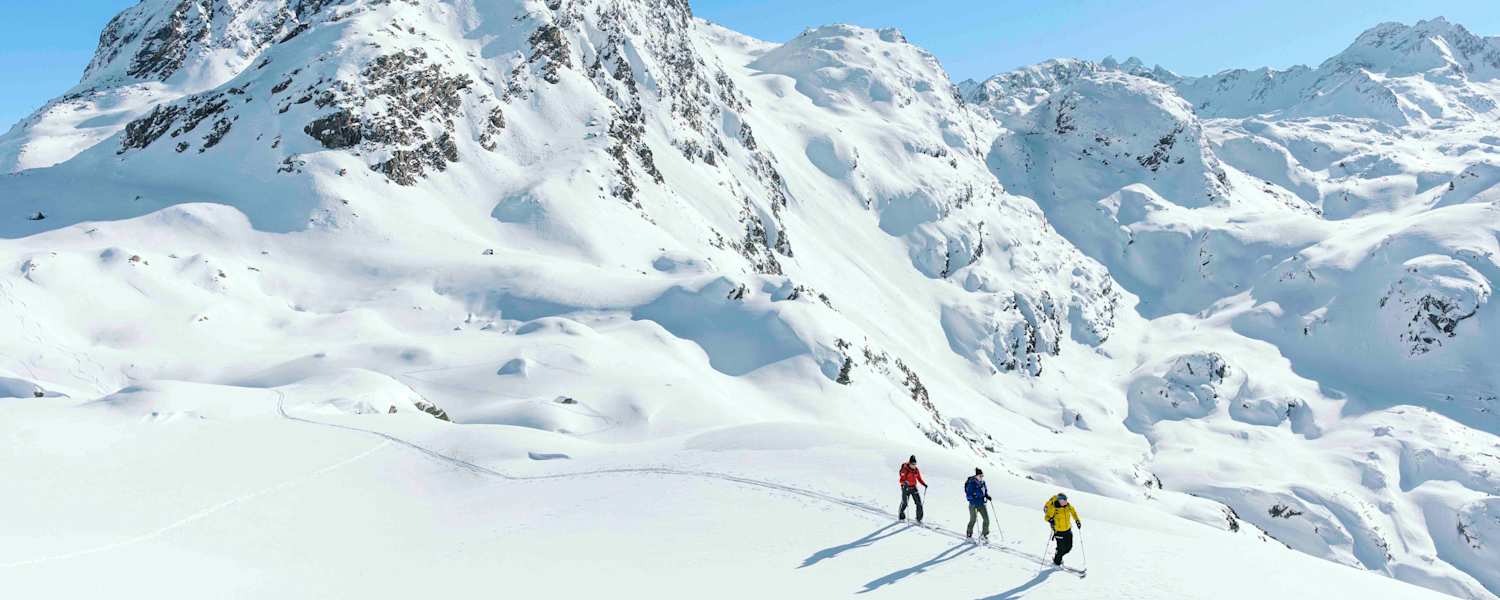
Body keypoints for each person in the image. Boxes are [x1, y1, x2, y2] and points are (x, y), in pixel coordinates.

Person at [1043, 493, 1082, 566]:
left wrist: (1077, 520)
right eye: (1064, 500)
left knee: (1069, 547)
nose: (1066, 501)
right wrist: (1050, 520)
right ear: (1060, 500)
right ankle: (1056, 561)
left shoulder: (1068, 506)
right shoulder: (1054, 508)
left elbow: (1073, 512)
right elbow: (1046, 517)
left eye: (1066, 499)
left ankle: (1058, 554)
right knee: (1061, 549)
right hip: (1059, 532)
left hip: (1068, 530)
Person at [898, 455, 928, 522]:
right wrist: (905, 482)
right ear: (909, 463)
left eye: (915, 464)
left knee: (919, 503)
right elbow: (901, 480)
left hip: (914, 487)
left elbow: (919, 478)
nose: (914, 465)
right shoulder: (905, 469)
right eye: (913, 464)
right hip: (905, 488)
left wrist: (924, 484)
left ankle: (919, 518)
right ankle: (901, 516)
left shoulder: (916, 470)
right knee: (905, 503)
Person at [964, 468, 992, 539]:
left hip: (982, 504)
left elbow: (984, 491)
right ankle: (969, 533)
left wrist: (987, 495)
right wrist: (973, 495)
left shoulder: (983, 482)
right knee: (973, 520)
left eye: (982, 476)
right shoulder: (971, 483)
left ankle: (984, 534)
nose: (981, 477)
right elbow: (968, 496)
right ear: (976, 476)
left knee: (986, 519)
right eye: (980, 476)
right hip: (973, 505)